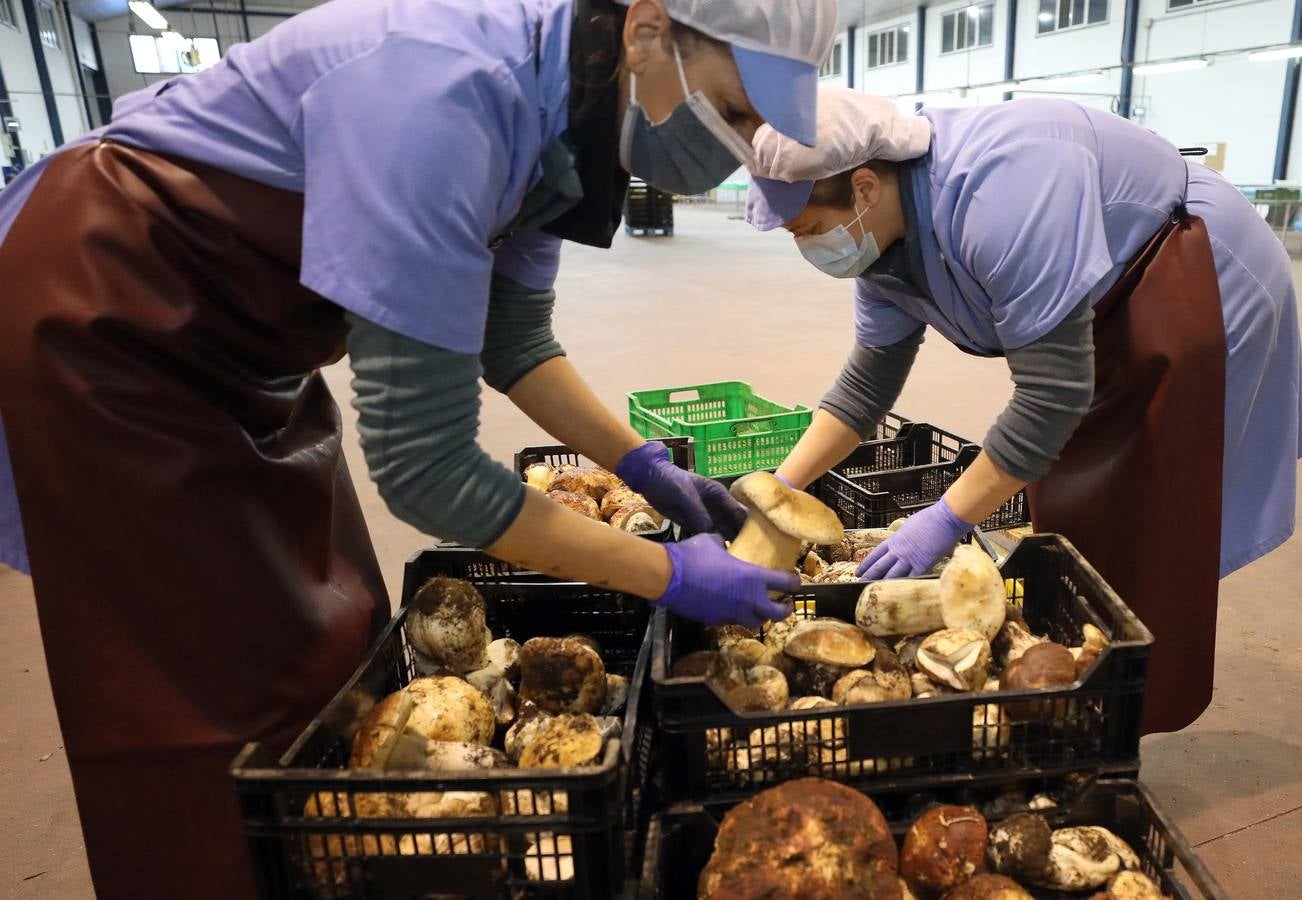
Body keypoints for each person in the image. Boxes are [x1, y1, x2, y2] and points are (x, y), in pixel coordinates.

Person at [0, 0, 836, 896]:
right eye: (735, 111)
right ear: (646, 29)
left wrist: (645, 467)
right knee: (205, 690)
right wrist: (664, 575)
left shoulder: (568, 122)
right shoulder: (443, 98)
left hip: (252, 342)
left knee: (333, 632)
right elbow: (424, 467)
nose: (736, 147)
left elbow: (513, 343)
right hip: (124, 311)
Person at [746, 87, 1300, 736]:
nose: (807, 248)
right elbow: (864, 389)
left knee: (1153, 518)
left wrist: (945, 518)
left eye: (808, 229)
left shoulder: (998, 197)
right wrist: (777, 492)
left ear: (865, 188)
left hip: (1191, 273)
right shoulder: (884, 248)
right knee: (1074, 505)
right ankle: (1079, 692)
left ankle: (1126, 714)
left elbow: (1049, 399)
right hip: (1105, 307)